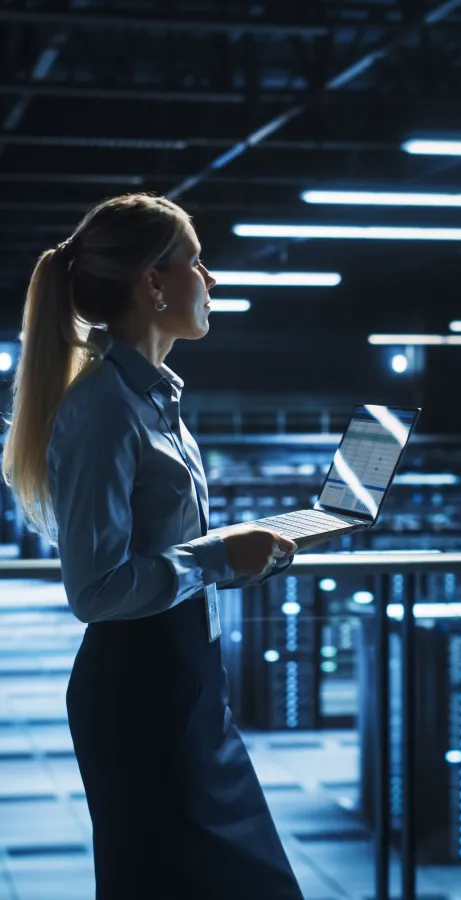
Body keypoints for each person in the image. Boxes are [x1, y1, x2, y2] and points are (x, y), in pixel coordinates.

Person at [1, 193, 307, 899]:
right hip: (141, 697)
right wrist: (217, 557)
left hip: (188, 687)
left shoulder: (152, 400)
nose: (213, 279)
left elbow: (166, 555)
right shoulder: (104, 409)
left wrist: (239, 553)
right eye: (198, 261)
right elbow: (96, 590)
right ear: (154, 283)